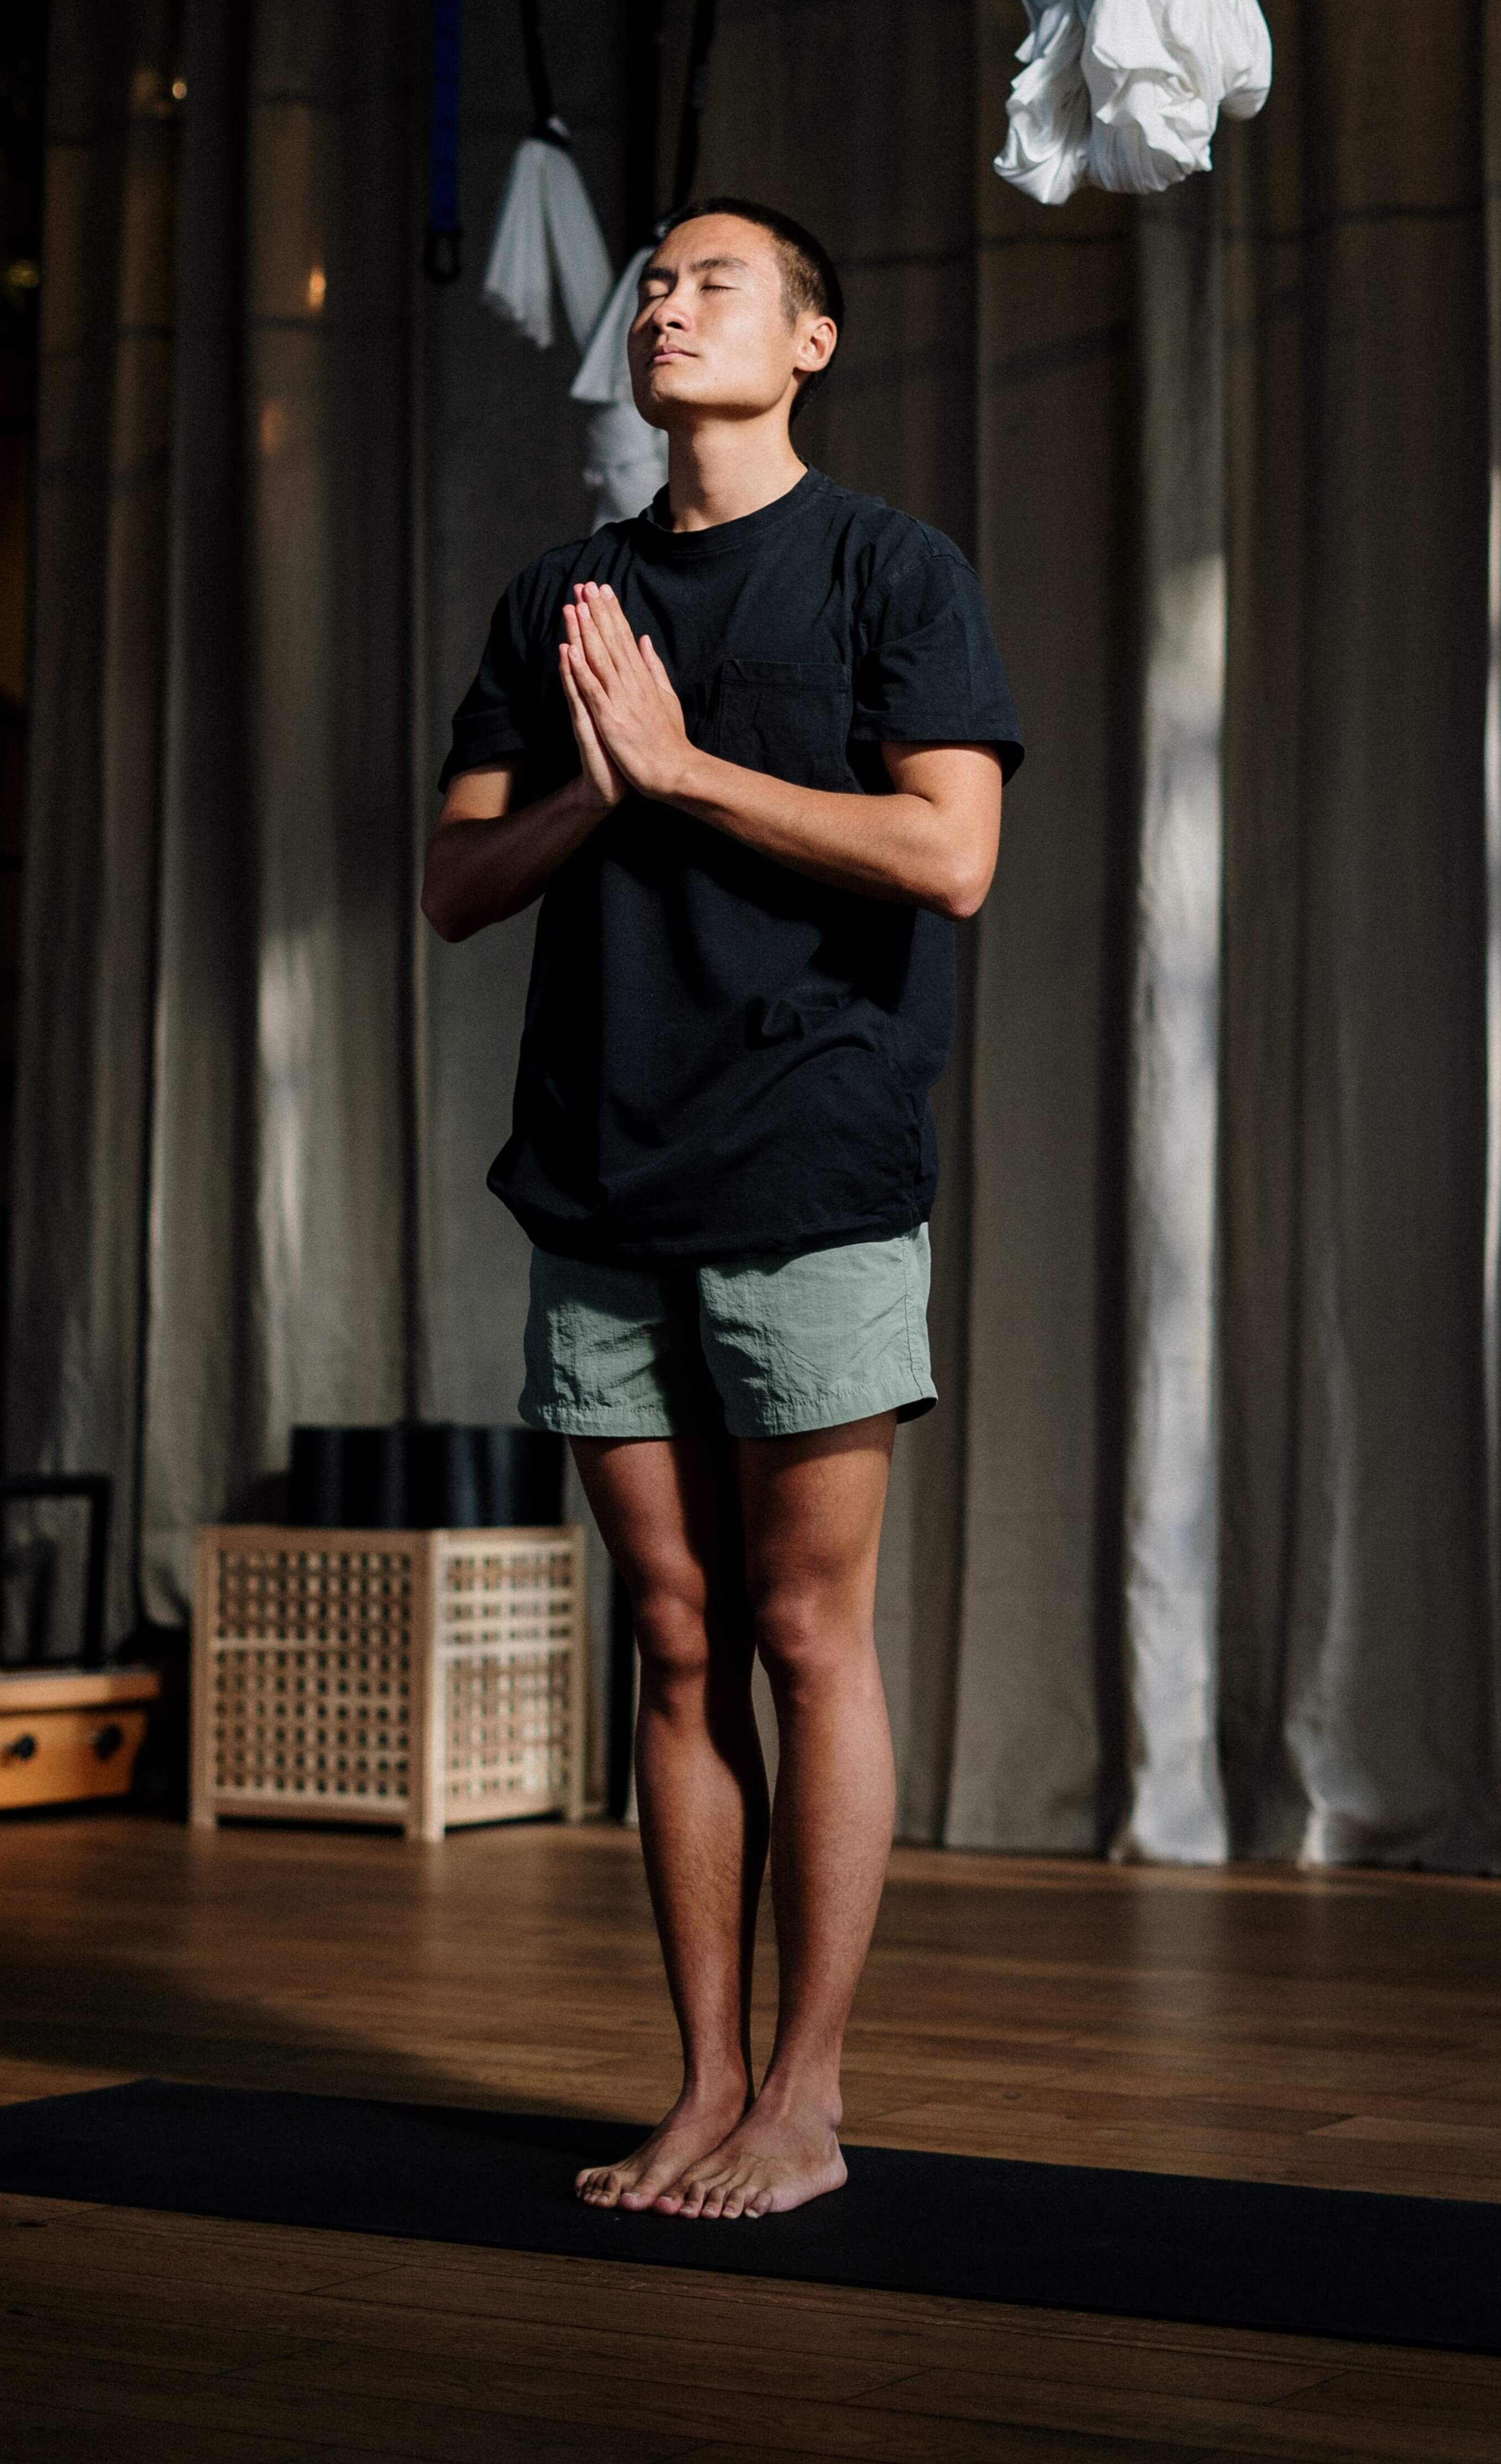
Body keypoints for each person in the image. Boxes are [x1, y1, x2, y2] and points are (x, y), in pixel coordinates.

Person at [421, 197, 1022, 2220]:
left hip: (812, 1160)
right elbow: (457, 884)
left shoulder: (890, 569)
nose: (670, 303)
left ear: (814, 342)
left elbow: (951, 857)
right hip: (597, 1168)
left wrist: (682, 776)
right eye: (655, 282)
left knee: (798, 1627)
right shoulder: (562, 599)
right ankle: (699, 2091)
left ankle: (809, 2097)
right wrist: (606, 785)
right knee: (672, 1641)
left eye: (717, 280)